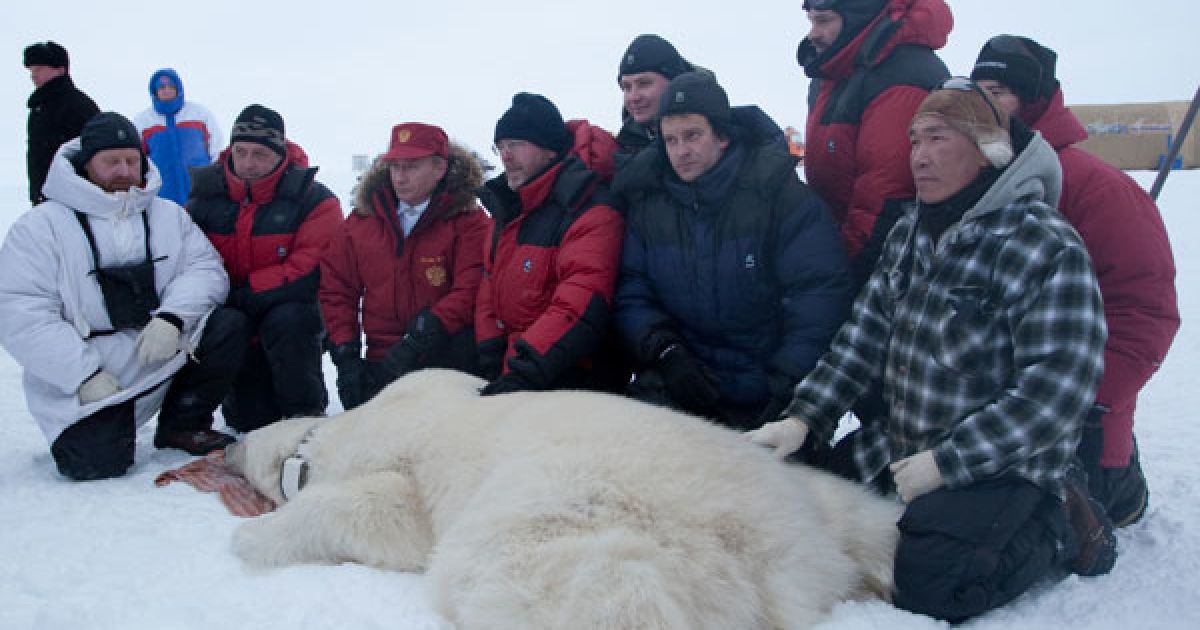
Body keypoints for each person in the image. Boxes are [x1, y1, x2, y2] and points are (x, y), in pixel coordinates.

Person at [746, 80, 1117, 621]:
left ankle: (1060, 520)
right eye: (915, 140)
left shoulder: (1044, 244)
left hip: (1002, 463)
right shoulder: (910, 233)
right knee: (798, 502)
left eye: (938, 138)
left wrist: (948, 462)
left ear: (988, 149)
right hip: (905, 445)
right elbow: (861, 338)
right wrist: (804, 418)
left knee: (928, 580)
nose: (919, 156)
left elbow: (1057, 390)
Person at [971, 35, 1180, 528]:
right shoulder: (972, 177)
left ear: (1033, 99)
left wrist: (1082, 402)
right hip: (996, 410)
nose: (984, 107)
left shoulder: (1098, 187)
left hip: (1082, 420)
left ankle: (1121, 482)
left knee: (1070, 523)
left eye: (998, 92)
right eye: (978, 94)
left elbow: (1144, 313)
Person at [0, 112, 237, 480]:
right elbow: (21, 312)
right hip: (89, 375)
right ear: (85, 164)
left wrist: (172, 318)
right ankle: (106, 426)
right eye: (111, 161)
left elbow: (205, 270)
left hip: (160, 354)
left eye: (131, 160)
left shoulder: (168, 216)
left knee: (230, 324)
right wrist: (83, 375)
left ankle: (182, 423)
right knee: (95, 465)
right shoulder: (40, 227)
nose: (124, 171)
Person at [612, 72, 853, 430]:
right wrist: (666, 352)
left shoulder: (779, 196)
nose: (681, 151)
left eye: (693, 135)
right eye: (671, 140)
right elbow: (633, 291)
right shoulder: (650, 205)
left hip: (768, 387)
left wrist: (785, 384)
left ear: (722, 136)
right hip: (682, 380)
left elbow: (818, 296)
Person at [186, 104, 342, 432]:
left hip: (286, 313)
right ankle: (192, 418)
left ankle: (305, 411)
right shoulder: (204, 198)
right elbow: (187, 260)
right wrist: (227, 299)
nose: (248, 163)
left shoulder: (313, 199)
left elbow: (311, 264)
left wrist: (248, 292)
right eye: (241, 152)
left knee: (292, 317)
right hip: (233, 315)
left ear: (280, 154)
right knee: (251, 420)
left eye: (259, 154)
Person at [321, 123, 491, 410]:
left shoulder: (468, 222)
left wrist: (424, 334)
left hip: (445, 354)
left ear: (439, 169)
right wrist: (346, 354)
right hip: (382, 358)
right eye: (395, 167)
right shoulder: (362, 222)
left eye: (411, 167)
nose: (400, 177)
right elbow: (337, 289)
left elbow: (471, 288)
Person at [475, 92, 624, 395]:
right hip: (515, 371)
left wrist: (524, 371)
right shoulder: (508, 208)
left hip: (568, 379)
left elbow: (579, 302)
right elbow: (489, 284)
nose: (505, 156)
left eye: (516, 144)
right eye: (500, 146)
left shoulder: (588, 208)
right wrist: (490, 354)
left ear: (549, 150)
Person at [796, 0, 952, 284]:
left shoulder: (900, 77)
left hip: (882, 270)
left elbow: (883, 204)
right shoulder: (835, 70)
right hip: (835, 247)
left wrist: (838, 278)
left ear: (857, 18)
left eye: (824, 21)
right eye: (812, 21)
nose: (813, 34)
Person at [24, 41, 99, 205]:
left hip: (74, 198)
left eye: (39, 69)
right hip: (46, 196)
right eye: (31, 70)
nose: (33, 75)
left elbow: (95, 153)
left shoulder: (79, 105)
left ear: (60, 69)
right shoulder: (40, 108)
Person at [134, 68, 223, 205]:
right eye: (162, 87)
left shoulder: (199, 114)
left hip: (200, 192)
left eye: (171, 86)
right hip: (162, 194)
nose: (167, 90)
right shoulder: (143, 121)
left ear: (178, 89)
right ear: (154, 91)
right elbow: (137, 159)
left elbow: (216, 148)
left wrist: (217, 178)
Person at [615, 34, 694, 159]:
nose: (634, 97)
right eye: (627, 87)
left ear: (674, 82)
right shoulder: (621, 149)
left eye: (644, 83)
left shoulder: (713, 140)